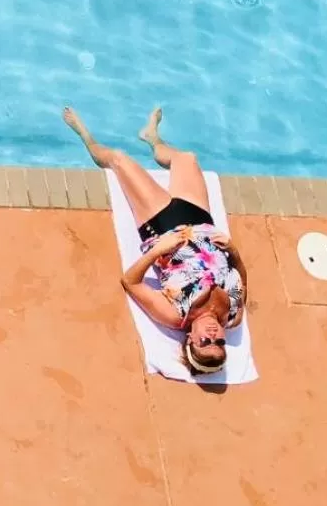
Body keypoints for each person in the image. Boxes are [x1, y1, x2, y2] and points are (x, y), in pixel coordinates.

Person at [63, 106, 246, 375]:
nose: (213, 335)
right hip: (202, 221)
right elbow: (242, 275)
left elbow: (130, 281)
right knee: (186, 158)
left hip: (161, 226)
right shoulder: (233, 315)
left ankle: (85, 136)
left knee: (119, 159)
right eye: (219, 343)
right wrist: (233, 250)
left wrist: (157, 251)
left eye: (205, 343)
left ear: (190, 341)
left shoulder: (175, 315)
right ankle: (153, 139)